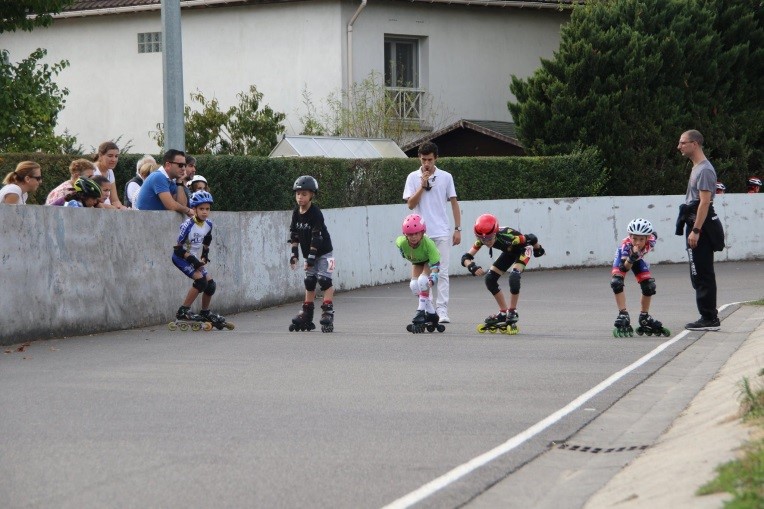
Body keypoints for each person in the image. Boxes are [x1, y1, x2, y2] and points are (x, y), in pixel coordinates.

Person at [402, 141, 461, 323]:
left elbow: (454, 202)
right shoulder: (413, 177)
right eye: (423, 159)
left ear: (436, 158)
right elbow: (410, 204)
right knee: (420, 279)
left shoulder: (446, 177)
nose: (426, 163)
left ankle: (442, 310)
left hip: (441, 231)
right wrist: (422, 185)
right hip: (420, 234)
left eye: (429, 159)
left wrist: (458, 228)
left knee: (442, 272)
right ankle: (428, 307)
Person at [460, 213, 545, 334]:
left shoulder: (510, 237)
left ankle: (512, 311)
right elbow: (465, 257)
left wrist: (538, 249)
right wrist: (471, 266)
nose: (486, 241)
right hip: (509, 252)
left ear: (495, 233)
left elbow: (532, 237)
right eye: (482, 239)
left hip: (523, 249)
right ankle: (503, 312)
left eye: (489, 238)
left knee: (514, 278)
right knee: (490, 279)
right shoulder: (483, 239)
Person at [677, 129, 723, 331]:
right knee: (697, 272)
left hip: (701, 225)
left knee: (703, 272)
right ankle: (707, 314)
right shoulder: (697, 167)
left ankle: (709, 318)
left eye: (682, 142)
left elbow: (705, 203)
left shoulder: (704, 170)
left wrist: (696, 230)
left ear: (694, 144)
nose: (679, 146)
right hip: (694, 222)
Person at [171, 190, 231, 330]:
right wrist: (193, 260)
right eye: (201, 209)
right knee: (201, 281)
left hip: (194, 258)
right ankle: (182, 312)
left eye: (207, 209)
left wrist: (204, 255)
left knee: (210, 285)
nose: (205, 212)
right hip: (181, 257)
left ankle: (204, 312)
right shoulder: (188, 225)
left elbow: (207, 239)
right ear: (194, 209)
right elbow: (178, 249)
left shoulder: (208, 224)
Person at [288, 175, 335, 332]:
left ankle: (327, 312)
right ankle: (306, 314)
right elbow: (294, 236)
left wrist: (311, 258)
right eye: (298, 194)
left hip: (323, 252)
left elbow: (317, 237)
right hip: (310, 253)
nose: (300, 197)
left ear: (312, 195)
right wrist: (294, 255)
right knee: (309, 281)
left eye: (304, 194)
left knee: (324, 280)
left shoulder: (316, 213)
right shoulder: (296, 213)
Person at [609, 218, 669, 337]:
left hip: (638, 258)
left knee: (649, 286)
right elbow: (624, 268)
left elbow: (655, 234)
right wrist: (632, 257)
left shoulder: (651, 240)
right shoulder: (626, 247)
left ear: (647, 238)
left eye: (641, 239)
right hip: (625, 259)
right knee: (617, 282)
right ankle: (623, 314)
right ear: (630, 236)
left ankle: (644, 317)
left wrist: (636, 256)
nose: (637, 242)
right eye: (634, 238)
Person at [396, 213, 442, 333]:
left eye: (416, 233)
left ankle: (420, 312)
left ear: (422, 232)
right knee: (413, 286)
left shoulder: (429, 244)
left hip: (428, 261)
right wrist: (402, 251)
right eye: (410, 234)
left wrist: (432, 278)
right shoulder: (402, 242)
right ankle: (432, 313)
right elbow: (398, 242)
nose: (413, 237)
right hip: (416, 262)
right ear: (405, 235)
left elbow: (436, 266)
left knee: (423, 281)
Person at [134, 149, 194, 217]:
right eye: (180, 165)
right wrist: (188, 210)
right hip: (145, 223)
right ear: (168, 165)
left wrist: (179, 182)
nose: (183, 169)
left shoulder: (171, 181)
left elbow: (182, 205)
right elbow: (171, 205)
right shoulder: (158, 177)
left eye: (184, 165)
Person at [92, 141, 127, 209]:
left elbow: (115, 200)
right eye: (110, 156)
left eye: (116, 156)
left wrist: (122, 208)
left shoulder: (110, 172)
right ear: (100, 156)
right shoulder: (92, 170)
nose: (114, 159)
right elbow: (93, 202)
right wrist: (114, 209)